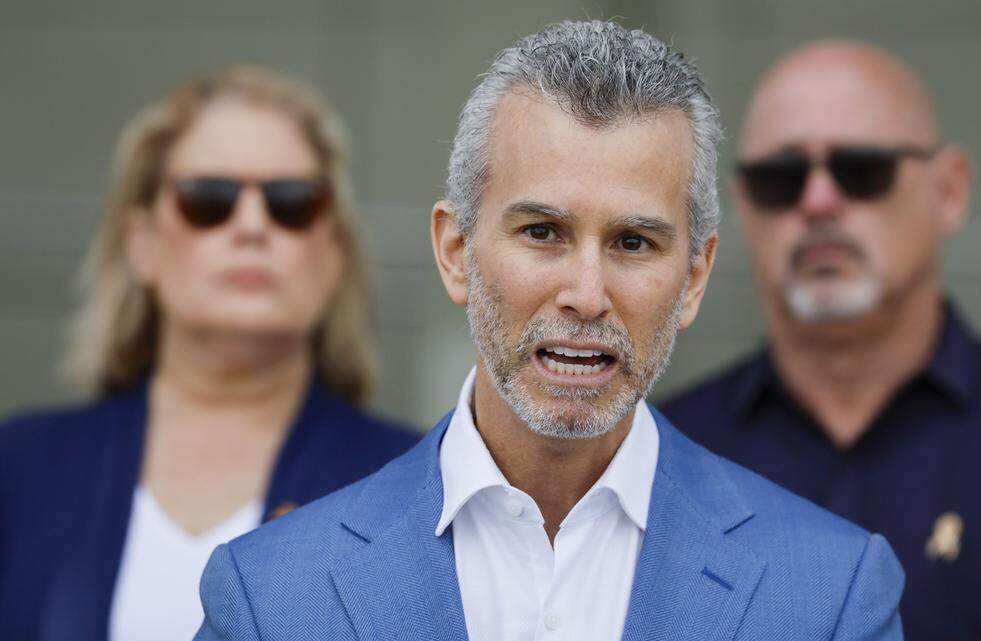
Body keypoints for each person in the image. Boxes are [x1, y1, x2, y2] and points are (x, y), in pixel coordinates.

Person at [194, 21, 904, 641]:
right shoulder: (271, 596)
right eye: (542, 231)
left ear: (693, 277)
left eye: (633, 242)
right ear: (455, 253)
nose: (586, 296)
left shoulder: (830, 594)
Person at [662, 40, 981, 640]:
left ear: (950, 191)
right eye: (779, 180)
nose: (818, 202)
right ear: (739, 209)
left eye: (863, 171)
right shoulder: (667, 453)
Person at [0, 65, 419, 641]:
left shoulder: (414, 485)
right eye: (209, 199)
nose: (251, 225)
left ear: (334, 252)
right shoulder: (21, 468)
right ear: (142, 243)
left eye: (292, 203)